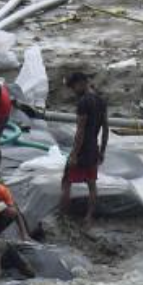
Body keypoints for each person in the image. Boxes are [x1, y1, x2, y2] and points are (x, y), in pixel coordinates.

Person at [61, 71, 109, 226]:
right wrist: (102, 151)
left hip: (82, 149)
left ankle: (64, 216)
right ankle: (89, 217)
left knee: (66, 181)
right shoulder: (101, 101)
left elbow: (80, 131)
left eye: (73, 86)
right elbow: (106, 128)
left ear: (81, 83)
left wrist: (74, 154)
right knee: (91, 184)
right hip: (93, 149)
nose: (73, 91)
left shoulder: (83, 102)